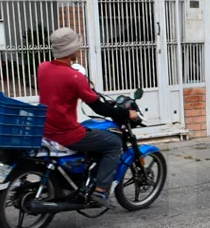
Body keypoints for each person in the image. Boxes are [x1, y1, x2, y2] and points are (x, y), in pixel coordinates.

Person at [37, 27, 136, 207]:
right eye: (77, 46)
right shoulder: (75, 77)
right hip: (66, 133)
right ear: (71, 50)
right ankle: (100, 191)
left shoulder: (43, 68)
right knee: (113, 144)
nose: (79, 49)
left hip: (45, 130)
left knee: (95, 136)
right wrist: (126, 113)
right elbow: (100, 108)